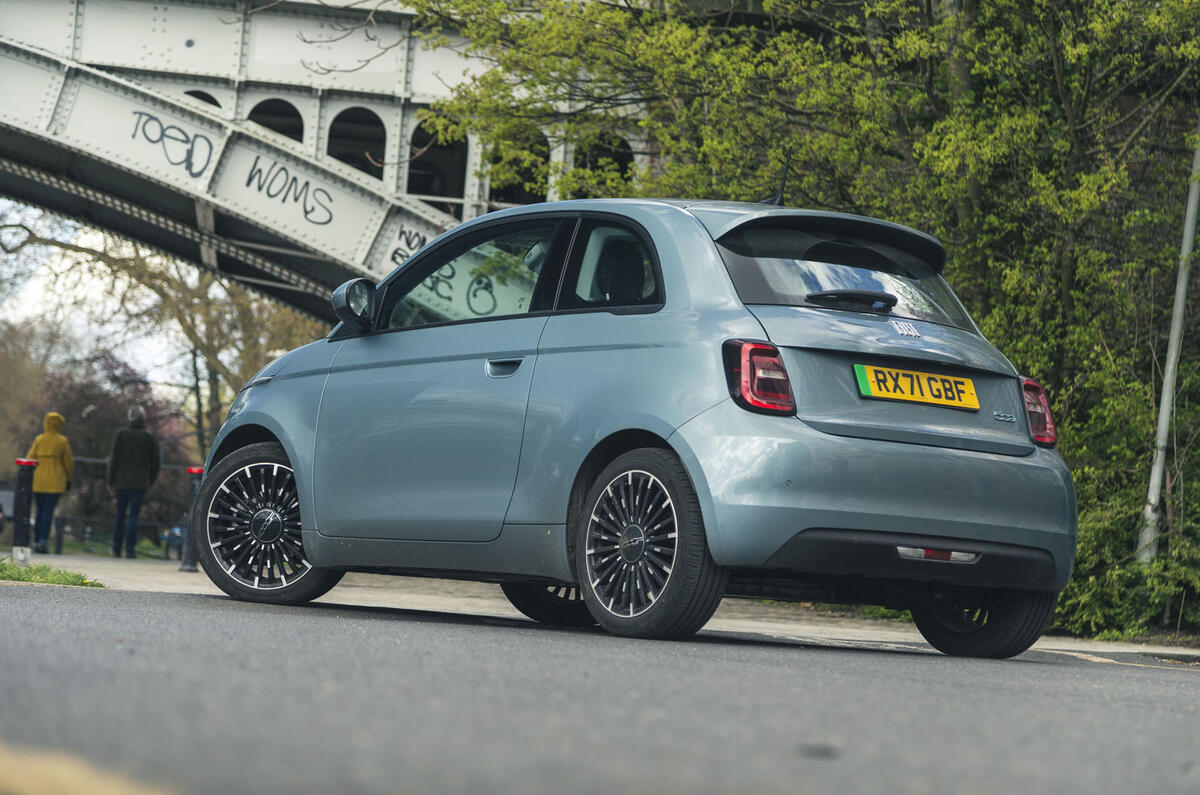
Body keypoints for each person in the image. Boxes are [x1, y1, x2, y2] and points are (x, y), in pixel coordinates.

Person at [107, 405, 160, 559]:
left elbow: (114, 459)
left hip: (121, 482)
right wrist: (150, 479)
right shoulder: (148, 437)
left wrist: (111, 480)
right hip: (140, 483)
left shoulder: (122, 435)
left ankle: (116, 548)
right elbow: (155, 462)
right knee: (134, 516)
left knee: (120, 516)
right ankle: (130, 550)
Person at [26, 411, 74, 554]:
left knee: (39, 512)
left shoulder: (39, 440)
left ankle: (36, 540)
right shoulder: (62, 441)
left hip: (39, 481)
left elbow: (29, 457)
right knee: (48, 511)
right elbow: (69, 463)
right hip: (56, 482)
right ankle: (43, 541)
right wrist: (69, 479)